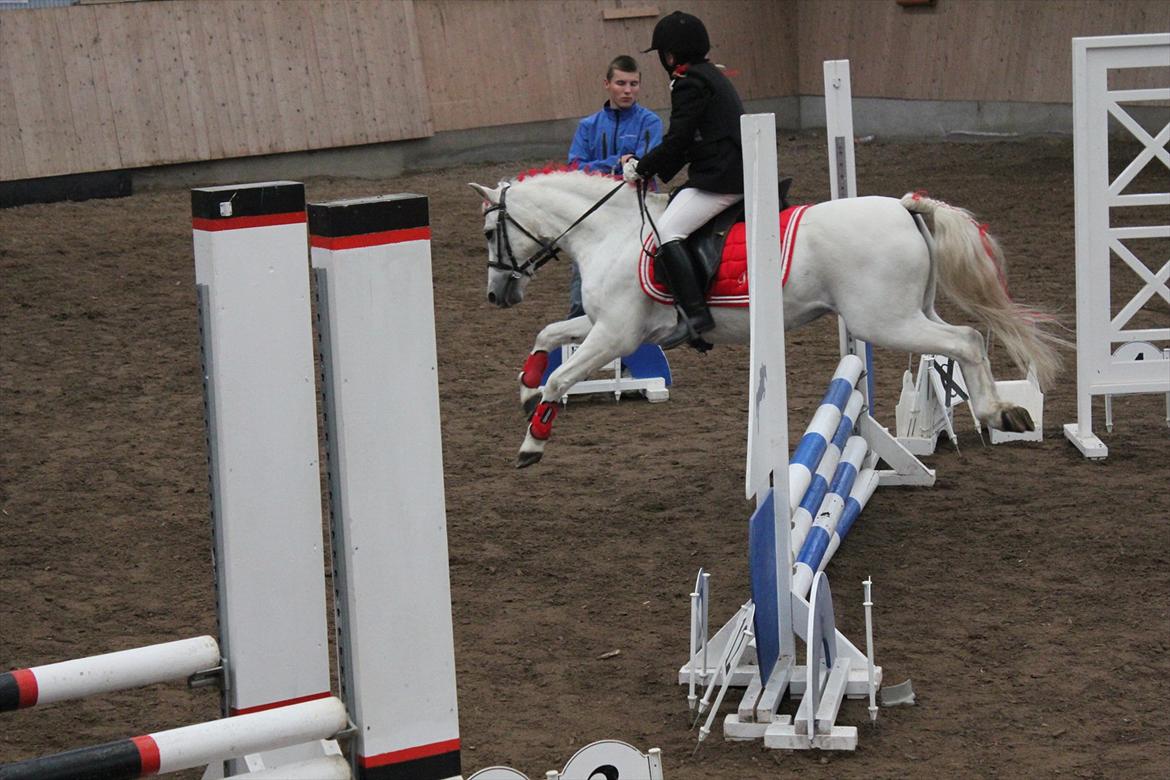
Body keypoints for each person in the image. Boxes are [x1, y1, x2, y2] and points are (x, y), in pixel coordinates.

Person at [623, 11, 745, 349]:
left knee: (665, 233)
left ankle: (696, 316)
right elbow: (688, 142)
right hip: (730, 167)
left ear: (671, 55)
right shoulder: (708, 75)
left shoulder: (689, 82)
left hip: (723, 177)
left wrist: (641, 168)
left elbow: (678, 140)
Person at [566, 55, 663, 318]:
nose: (628, 90)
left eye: (634, 84)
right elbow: (574, 168)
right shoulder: (588, 126)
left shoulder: (650, 123)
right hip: (595, 216)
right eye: (621, 83)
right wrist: (614, 163)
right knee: (581, 291)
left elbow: (645, 164)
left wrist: (604, 167)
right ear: (606, 84)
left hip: (636, 216)